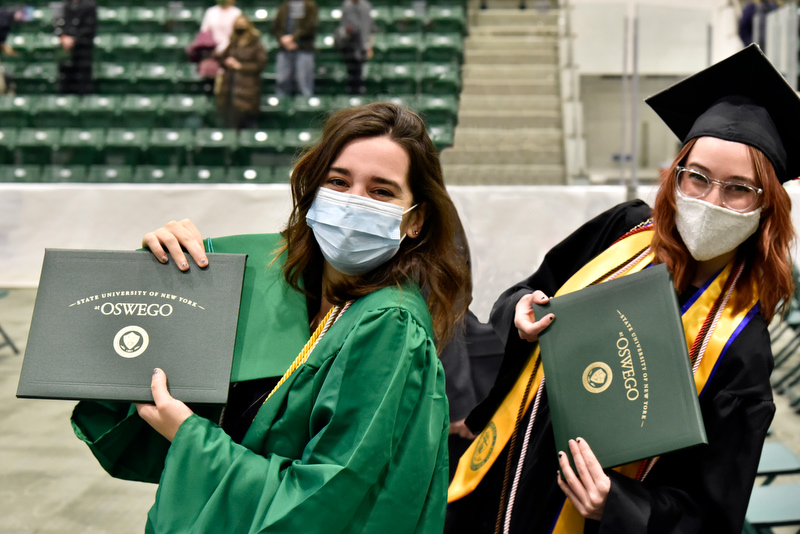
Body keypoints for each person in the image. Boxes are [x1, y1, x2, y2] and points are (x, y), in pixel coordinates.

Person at [70, 102, 472, 532]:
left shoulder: (390, 326)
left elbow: (327, 501)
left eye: (382, 191)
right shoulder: (268, 275)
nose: (353, 203)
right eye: (338, 181)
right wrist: (160, 273)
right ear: (312, 188)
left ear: (416, 220)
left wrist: (189, 434)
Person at [446, 43, 797, 533]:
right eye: (697, 178)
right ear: (675, 176)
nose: (711, 200)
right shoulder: (622, 229)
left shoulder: (742, 348)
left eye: (738, 188)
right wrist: (522, 314)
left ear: (767, 207)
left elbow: (711, 511)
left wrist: (619, 503)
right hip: (506, 473)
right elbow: (528, 292)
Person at [216, 15, 267, 130]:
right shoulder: (233, 43)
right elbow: (222, 59)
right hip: (230, 89)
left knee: (248, 123)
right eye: (238, 24)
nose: (240, 26)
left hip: (248, 88)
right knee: (230, 124)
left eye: (243, 23)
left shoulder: (255, 43)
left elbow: (260, 64)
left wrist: (241, 66)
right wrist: (227, 61)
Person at [271, 0, 318, 97]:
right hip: (285, 49)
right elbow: (276, 26)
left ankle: (305, 107)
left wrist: (293, 38)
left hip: (304, 49)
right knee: (282, 81)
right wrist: (282, 39)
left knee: (303, 82)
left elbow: (310, 26)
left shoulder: (310, 6)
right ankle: (282, 108)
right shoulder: (284, 6)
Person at [53, 0, 96, 95]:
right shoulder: (62, 5)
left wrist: (74, 39)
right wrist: (63, 36)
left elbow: (90, 27)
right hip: (65, 50)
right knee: (65, 80)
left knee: (83, 82)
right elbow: (56, 23)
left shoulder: (89, 5)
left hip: (83, 50)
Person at [336, 0, 377, 95]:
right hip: (349, 45)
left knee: (361, 73)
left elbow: (371, 28)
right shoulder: (346, 5)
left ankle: (360, 92)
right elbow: (342, 27)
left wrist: (369, 45)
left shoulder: (366, 6)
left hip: (363, 44)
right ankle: (351, 91)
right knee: (351, 73)